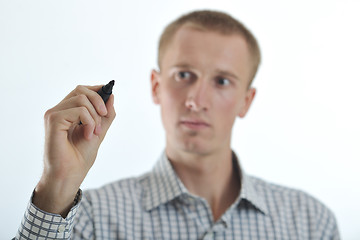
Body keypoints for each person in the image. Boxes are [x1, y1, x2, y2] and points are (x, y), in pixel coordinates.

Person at [15, 10, 340, 239]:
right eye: (184, 75)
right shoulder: (90, 220)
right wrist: (56, 184)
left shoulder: (310, 223)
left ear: (246, 100)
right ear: (156, 86)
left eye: (223, 81)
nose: (196, 100)